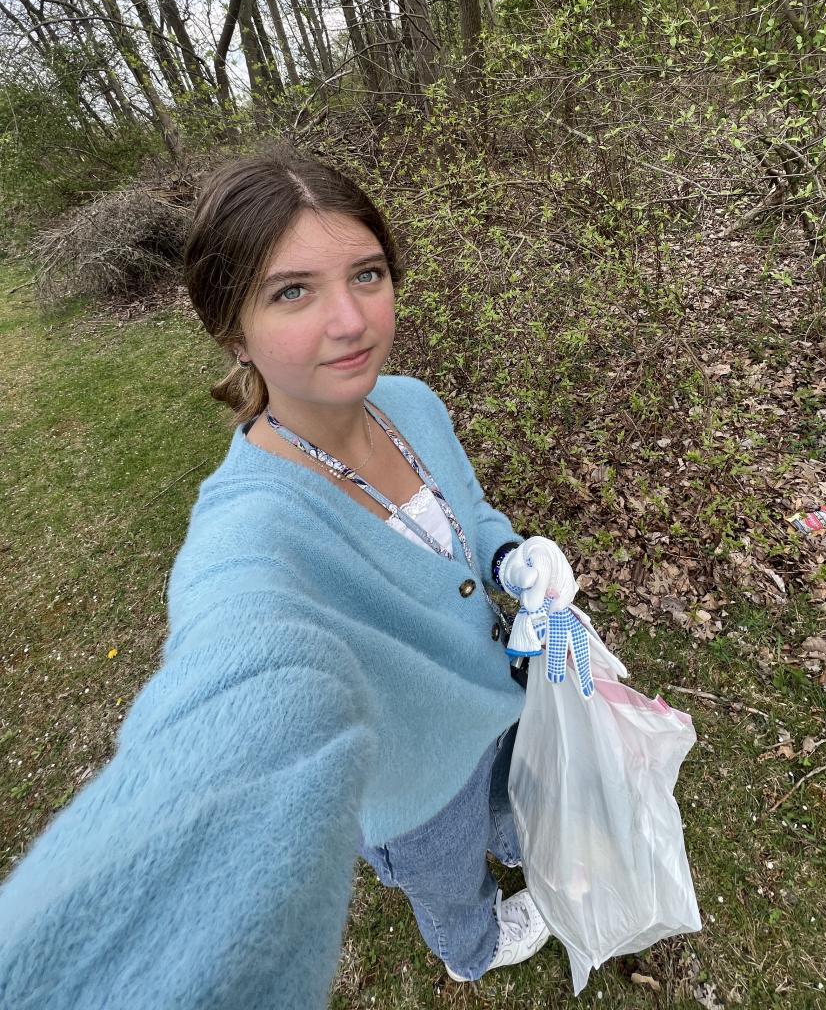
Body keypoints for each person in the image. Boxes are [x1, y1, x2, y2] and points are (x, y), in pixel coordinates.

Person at [0, 149, 570, 1008]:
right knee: (449, 878)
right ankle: (472, 946)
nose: (351, 320)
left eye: (367, 274)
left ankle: (517, 833)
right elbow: (229, 669)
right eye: (293, 291)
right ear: (233, 332)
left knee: (509, 798)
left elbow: (471, 512)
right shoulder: (252, 527)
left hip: (497, 704)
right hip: (412, 789)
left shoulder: (411, 403)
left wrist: (507, 559)